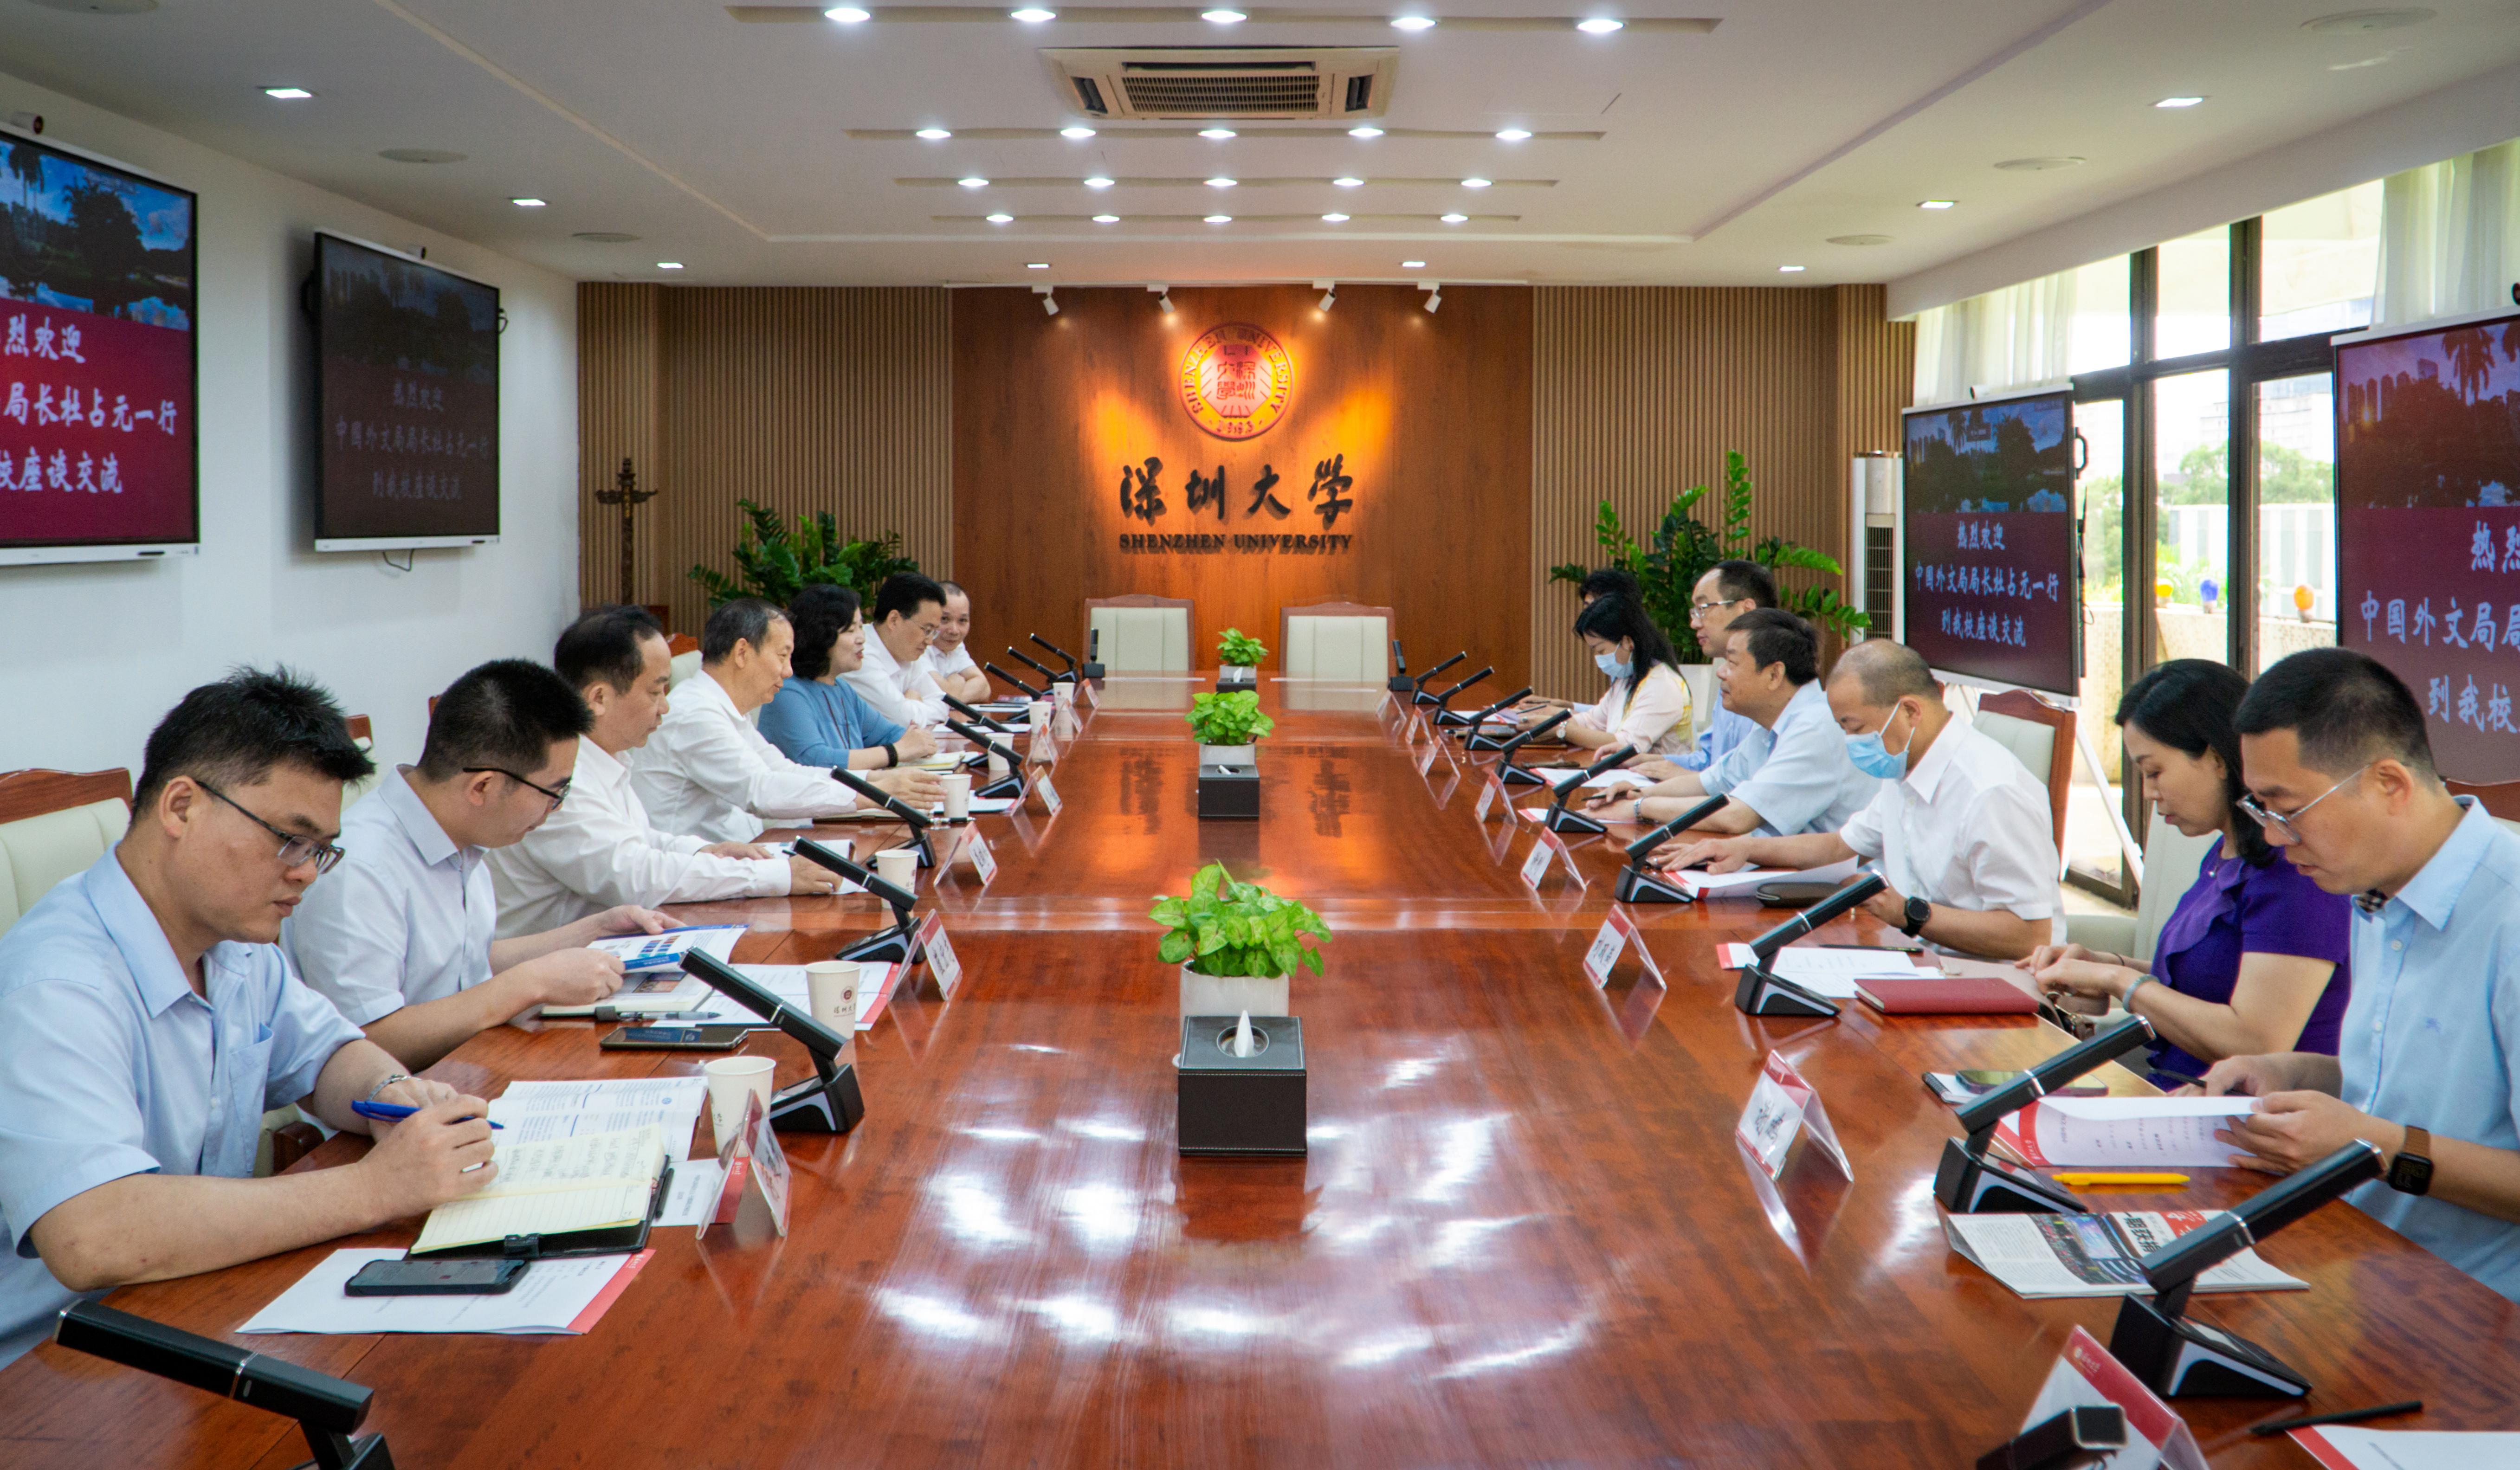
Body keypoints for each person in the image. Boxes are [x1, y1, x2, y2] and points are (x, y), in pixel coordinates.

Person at [0, 670, 498, 1369]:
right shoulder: (57, 986)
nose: (307, 873)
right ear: (181, 808)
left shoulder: (234, 945)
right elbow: (93, 1237)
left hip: (194, 1304)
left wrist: (394, 1095)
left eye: (321, 849)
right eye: (289, 839)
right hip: (53, 1367)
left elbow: (328, 1055)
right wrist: (375, 1188)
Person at [2197, 648, 2520, 1302]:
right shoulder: (2373, 887)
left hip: (2472, 1311)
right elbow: (2414, 1088)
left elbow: (2389, 1134)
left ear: (2389, 784)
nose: (2275, 839)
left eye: (2286, 809)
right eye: (2260, 809)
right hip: (2356, 1263)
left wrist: (2372, 1145)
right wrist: (2292, 1072)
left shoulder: (2506, 914)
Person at [286, 660, 676, 1072]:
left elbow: (461, 962)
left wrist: (593, 932)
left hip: (469, 1068)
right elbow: (368, 1042)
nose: (555, 810)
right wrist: (530, 984)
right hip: (403, 1101)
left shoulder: (458, 835)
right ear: (484, 786)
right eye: (554, 794)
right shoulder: (360, 868)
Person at [2017, 660, 2351, 1089]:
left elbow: (2256, 1042)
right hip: (2178, 1090)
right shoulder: (2226, 853)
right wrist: (2104, 966)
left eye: (2155, 772)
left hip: (2247, 1111)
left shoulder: (2296, 872)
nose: (2149, 792)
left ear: (2216, 758)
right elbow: (2208, 981)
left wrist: (2119, 981)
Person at [1657, 638, 2059, 959]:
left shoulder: (1989, 790)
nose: (1851, 742)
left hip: (1994, 988)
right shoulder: (1905, 766)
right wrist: (1744, 849)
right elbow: (1840, 845)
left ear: (1910, 712)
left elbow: (2030, 936)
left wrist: (1907, 913)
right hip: (1915, 957)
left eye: (1855, 728)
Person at [491, 606, 842, 937]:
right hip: (556, 969)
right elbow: (636, 876)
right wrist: (773, 875)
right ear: (599, 698)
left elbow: (642, 840)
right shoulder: (554, 775)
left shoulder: (605, 755)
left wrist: (705, 852)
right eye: (656, 691)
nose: (665, 707)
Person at [633, 598, 943, 844]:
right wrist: (876, 794)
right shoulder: (696, 714)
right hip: (702, 875)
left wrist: (875, 781)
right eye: (782, 656)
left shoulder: (723, 709)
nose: (788, 671)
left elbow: (785, 770)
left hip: (743, 855)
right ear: (742, 653)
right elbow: (763, 791)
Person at [1585, 609, 1877, 838]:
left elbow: (1738, 816)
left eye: (1732, 663)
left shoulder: (1816, 727)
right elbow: (1709, 783)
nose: (1721, 673)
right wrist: (1638, 794)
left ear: (1775, 675)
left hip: (1834, 887)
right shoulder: (1772, 726)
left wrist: (1639, 809)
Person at [760, 585, 943, 771]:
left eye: (860, 627)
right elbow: (816, 759)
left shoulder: (842, 689)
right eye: (850, 630)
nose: (861, 638)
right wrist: (895, 752)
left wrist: (918, 741)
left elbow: (891, 734)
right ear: (820, 634)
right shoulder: (788, 691)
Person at [1558, 593, 1694, 756]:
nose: (1598, 658)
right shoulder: (1627, 679)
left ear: (1627, 642)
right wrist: (1546, 724)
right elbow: (1592, 721)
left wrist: (1564, 730)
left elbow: (1627, 745)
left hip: (1654, 772)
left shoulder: (1663, 685)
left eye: (1601, 650)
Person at [1520, 567, 1644, 715]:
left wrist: (1557, 715)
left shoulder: (1641, 665)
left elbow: (1620, 724)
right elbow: (1606, 715)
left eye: (1598, 606)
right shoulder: (1619, 661)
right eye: (1587, 607)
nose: (1591, 614)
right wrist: (1566, 706)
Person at [845, 572, 950, 728]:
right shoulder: (860, 655)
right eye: (927, 630)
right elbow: (902, 719)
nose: (929, 641)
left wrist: (910, 706)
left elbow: (942, 705)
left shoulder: (905, 652)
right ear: (894, 620)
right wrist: (913, 705)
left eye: (933, 632)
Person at [916, 580, 992, 705]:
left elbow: (984, 688)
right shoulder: (918, 645)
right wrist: (956, 685)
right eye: (945, 619)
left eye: (962, 620)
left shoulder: (956, 646)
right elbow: (940, 693)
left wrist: (952, 695)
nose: (954, 631)